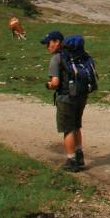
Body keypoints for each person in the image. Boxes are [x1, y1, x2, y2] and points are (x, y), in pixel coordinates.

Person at [43, 30, 86, 172]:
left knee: (68, 129)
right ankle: (80, 155)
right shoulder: (80, 56)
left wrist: (48, 85)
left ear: (57, 42)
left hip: (66, 97)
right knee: (76, 126)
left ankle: (71, 160)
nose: (47, 47)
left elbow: (55, 83)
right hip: (81, 96)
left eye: (48, 43)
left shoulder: (57, 58)